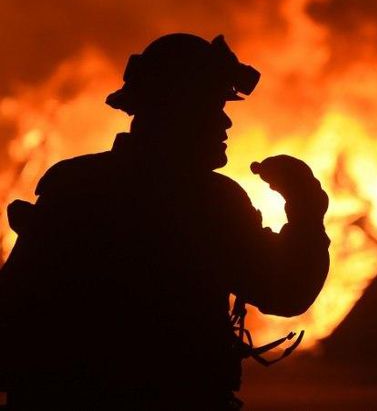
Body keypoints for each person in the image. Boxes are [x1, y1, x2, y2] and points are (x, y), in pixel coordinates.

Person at [0, 33, 330, 409]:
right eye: (211, 106)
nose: (225, 123)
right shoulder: (209, 201)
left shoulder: (71, 185)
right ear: (179, 109)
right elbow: (285, 290)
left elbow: (14, 308)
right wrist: (306, 209)